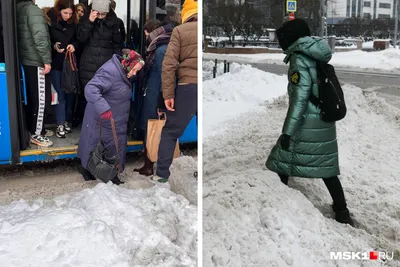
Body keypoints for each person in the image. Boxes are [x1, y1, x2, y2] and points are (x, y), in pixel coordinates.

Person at [265, 18, 354, 226]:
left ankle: (279, 202)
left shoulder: (298, 58)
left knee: (281, 160)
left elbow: (299, 98)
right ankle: (342, 212)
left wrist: (287, 132)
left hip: (306, 120)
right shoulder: (316, 51)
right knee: (327, 167)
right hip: (323, 117)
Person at [77, 50, 144, 184]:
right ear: (128, 64)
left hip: (116, 116)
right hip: (103, 116)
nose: (134, 74)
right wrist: (103, 108)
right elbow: (91, 88)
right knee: (96, 143)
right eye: (135, 70)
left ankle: (112, 173)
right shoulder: (110, 71)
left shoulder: (123, 70)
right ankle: (88, 168)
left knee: (114, 144)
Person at [151, 0, 198, 183]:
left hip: (187, 87)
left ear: (185, 15)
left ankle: (162, 175)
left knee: (170, 132)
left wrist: (168, 95)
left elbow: (169, 65)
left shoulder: (180, 31)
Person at [133, 19, 173, 176]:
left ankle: (150, 165)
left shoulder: (161, 49)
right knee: (149, 129)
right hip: (152, 93)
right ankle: (148, 164)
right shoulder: (160, 46)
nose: (146, 37)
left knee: (151, 129)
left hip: (155, 96)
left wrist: (162, 101)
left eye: (146, 34)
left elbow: (166, 77)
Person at [75, 0, 124, 127]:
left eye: (103, 14)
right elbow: (80, 39)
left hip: (106, 65)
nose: (101, 17)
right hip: (87, 64)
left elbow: (118, 46)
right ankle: (86, 124)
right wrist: (90, 21)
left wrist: (116, 65)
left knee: (104, 96)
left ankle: (102, 125)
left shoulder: (117, 23)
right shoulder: (85, 20)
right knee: (88, 95)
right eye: (98, 14)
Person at [16, 0, 53, 147]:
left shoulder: (18, 9)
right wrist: (46, 60)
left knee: (33, 97)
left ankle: (38, 129)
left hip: (26, 58)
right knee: (41, 99)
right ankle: (37, 134)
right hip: (36, 60)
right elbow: (40, 36)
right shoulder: (33, 10)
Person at [47, 0, 78, 138]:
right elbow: (45, 40)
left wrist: (73, 45)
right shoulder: (50, 21)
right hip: (56, 63)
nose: (68, 16)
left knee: (69, 92)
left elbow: (79, 39)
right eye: (65, 13)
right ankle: (60, 123)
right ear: (59, 11)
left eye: (70, 13)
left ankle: (65, 120)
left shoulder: (74, 24)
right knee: (59, 93)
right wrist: (54, 47)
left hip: (69, 63)